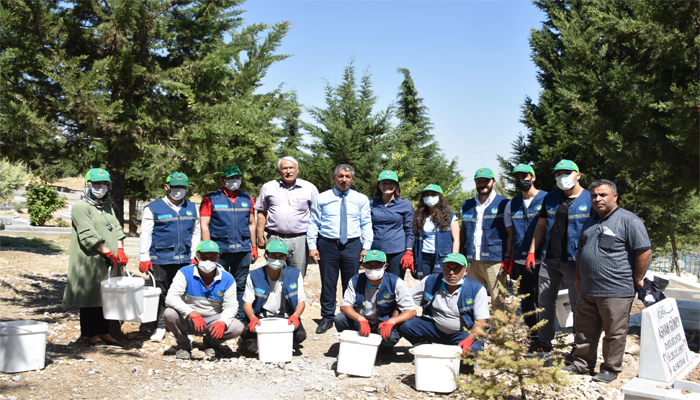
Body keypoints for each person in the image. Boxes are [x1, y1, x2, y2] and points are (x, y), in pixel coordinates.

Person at [563, 179, 651, 383]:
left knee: (614, 333)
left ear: (615, 197)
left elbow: (644, 251)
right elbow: (581, 252)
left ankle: (610, 369)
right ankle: (581, 364)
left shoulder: (629, 221)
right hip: (587, 289)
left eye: (603, 195)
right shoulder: (590, 221)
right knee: (584, 330)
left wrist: (637, 278)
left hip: (616, 290)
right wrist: (578, 278)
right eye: (594, 195)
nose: (597, 199)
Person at [527, 159, 593, 353]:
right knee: (544, 303)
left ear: (578, 175)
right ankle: (544, 342)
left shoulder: (589, 199)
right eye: (558, 173)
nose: (562, 176)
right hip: (550, 260)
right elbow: (540, 226)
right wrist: (532, 251)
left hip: (575, 262)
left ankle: (578, 346)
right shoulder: (551, 198)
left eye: (566, 172)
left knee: (578, 306)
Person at [62, 168, 129, 347]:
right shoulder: (81, 207)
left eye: (104, 184)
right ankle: (91, 335)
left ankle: (104, 332)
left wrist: (120, 250)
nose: (101, 187)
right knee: (91, 299)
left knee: (106, 297)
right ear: (88, 185)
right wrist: (106, 252)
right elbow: (87, 233)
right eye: (96, 184)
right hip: (91, 259)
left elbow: (115, 226)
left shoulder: (106, 205)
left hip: (110, 261)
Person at [307, 164, 373, 334]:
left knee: (351, 283)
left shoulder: (360, 199)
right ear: (335, 177)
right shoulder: (322, 198)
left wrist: (366, 247)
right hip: (327, 244)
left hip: (352, 245)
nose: (344, 180)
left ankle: (350, 317)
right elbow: (314, 222)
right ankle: (327, 317)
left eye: (348, 176)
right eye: (341, 176)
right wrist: (312, 246)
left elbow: (366, 223)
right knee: (328, 282)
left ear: (352, 178)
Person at [138, 172, 201, 342]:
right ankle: (159, 326)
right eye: (175, 187)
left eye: (182, 187)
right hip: (161, 258)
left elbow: (196, 232)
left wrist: (195, 254)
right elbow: (146, 234)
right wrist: (144, 257)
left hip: (184, 259)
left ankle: (178, 327)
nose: (178, 190)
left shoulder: (192, 208)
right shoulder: (153, 208)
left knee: (182, 294)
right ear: (167, 187)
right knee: (161, 293)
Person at [164, 240, 245, 360]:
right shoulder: (184, 273)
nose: (208, 261)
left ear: (218, 258)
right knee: (169, 314)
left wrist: (222, 322)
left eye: (212, 257)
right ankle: (183, 345)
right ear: (197, 257)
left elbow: (231, 306)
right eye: (204, 257)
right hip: (189, 319)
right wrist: (192, 313)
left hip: (213, 319)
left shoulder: (227, 278)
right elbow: (170, 298)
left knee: (237, 327)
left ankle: (211, 342)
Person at [399, 253, 488, 357]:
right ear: (442, 268)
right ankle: (426, 350)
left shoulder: (476, 289)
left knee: (475, 348)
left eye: (457, 269)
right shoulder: (431, 281)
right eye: (448, 268)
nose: (451, 272)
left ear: (465, 271)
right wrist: (393, 320)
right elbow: (405, 300)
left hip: (462, 333)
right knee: (406, 326)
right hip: (434, 329)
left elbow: (481, 321)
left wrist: (469, 340)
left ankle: (461, 362)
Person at [200, 165, 257, 321]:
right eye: (231, 178)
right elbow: (204, 224)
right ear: (222, 180)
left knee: (240, 284)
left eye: (237, 178)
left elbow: (252, 223)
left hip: (243, 250)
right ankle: (218, 316)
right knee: (218, 283)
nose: (234, 181)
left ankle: (238, 316)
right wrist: (207, 250)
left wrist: (253, 247)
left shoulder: (247, 198)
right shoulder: (210, 198)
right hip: (220, 250)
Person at [334, 250, 417, 350]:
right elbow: (345, 306)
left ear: (385, 266)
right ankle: (352, 345)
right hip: (361, 321)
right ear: (363, 266)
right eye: (369, 265)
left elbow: (411, 311)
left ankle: (384, 349)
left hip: (383, 323)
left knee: (391, 337)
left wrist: (392, 321)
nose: (373, 269)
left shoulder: (396, 282)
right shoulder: (355, 281)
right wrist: (360, 319)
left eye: (377, 265)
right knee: (340, 319)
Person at [502, 164, 547, 342]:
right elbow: (511, 233)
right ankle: (532, 336)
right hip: (520, 259)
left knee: (542, 299)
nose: (521, 180)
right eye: (517, 177)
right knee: (526, 299)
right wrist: (509, 258)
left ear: (533, 177)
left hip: (542, 259)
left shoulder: (546, 199)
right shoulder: (512, 203)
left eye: (525, 176)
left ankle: (545, 338)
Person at [254, 156, 319, 277]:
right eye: (284, 168)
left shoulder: (309, 188)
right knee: (273, 274)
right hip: (274, 237)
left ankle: (293, 296)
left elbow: (317, 216)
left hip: (300, 239)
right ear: (279, 171)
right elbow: (262, 212)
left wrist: (314, 241)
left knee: (297, 276)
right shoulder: (268, 187)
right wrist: (260, 237)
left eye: (291, 168)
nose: (288, 171)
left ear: (297, 170)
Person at [240, 240, 307, 353]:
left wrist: (295, 316)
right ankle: (257, 341)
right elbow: (247, 303)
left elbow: (301, 301)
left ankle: (283, 340)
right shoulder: (254, 275)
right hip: (261, 316)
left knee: (300, 336)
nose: (277, 259)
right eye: (273, 255)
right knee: (245, 331)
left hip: (286, 316)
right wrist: (252, 318)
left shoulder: (295, 275)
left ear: (285, 257)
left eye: (281, 256)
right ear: (266, 255)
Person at [460, 168, 509, 309]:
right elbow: (464, 231)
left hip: (495, 260)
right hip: (472, 260)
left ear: (493, 182)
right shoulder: (466, 205)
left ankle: (497, 330)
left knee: (497, 299)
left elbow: (510, 232)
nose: (482, 184)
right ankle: (477, 328)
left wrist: (508, 257)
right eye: (479, 181)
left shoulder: (504, 203)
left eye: (486, 181)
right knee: (473, 298)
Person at [369, 170, 415, 278]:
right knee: (375, 281)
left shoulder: (405, 204)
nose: (387, 186)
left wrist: (409, 252)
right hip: (376, 250)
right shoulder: (371, 204)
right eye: (384, 183)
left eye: (391, 183)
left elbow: (409, 230)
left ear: (396, 185)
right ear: (379, 185)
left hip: (396, 251)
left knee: (394, 283)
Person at [412, 184, 460, 280]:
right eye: (427, 195)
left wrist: (454, 258)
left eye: (433, 194)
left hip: (443, 256)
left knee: (442, 282)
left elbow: (456, 239)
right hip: (424, 255)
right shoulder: (419, 216)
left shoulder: (451, 217)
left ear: (440, 197)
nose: (430, 197)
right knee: (425, 282)